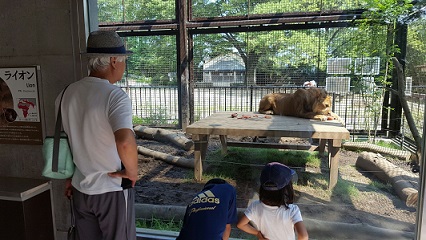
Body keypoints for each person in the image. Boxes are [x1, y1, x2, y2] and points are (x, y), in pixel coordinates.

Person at [58, 30, 139, 240]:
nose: (123, 65)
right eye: (123, 61)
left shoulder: (65, 93)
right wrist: (132, 172)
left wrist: (69, 178)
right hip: (110, 190)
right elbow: (125, 142)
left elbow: (65, 142)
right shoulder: (115, 96)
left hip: (80, 188)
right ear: (113, 61)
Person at [237, 162, 308, 240]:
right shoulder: (292, 210)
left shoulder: (255, 206)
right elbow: (303, 236)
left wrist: (257, 233)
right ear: (287, 189)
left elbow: (241, 224)